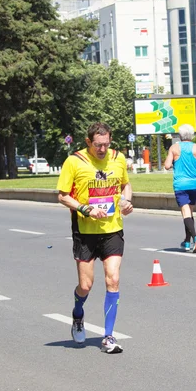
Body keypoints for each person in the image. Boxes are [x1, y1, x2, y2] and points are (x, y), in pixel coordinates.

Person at [57, 121, 133, 354]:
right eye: (98, 145)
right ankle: (78, 315)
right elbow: (62, 196)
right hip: (85, 232)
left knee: (113, 280)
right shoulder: (75, 161)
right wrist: (84, 208)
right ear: (88, 142)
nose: (103, 150)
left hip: (112, 229)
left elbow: (125, 185)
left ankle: (108, 337)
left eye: (106, 145)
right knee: (85, 285)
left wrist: (126, 201)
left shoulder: (118, 158)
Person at [164, 124, 196, 253]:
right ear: (191, 135)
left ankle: (195, 237)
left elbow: (167, 165)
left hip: (181, 184)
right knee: (189, 212)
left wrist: (175, 162)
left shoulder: (174, 148)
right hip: (195, 184)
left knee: (185, 213)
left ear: (180, 136)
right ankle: (187, 242)